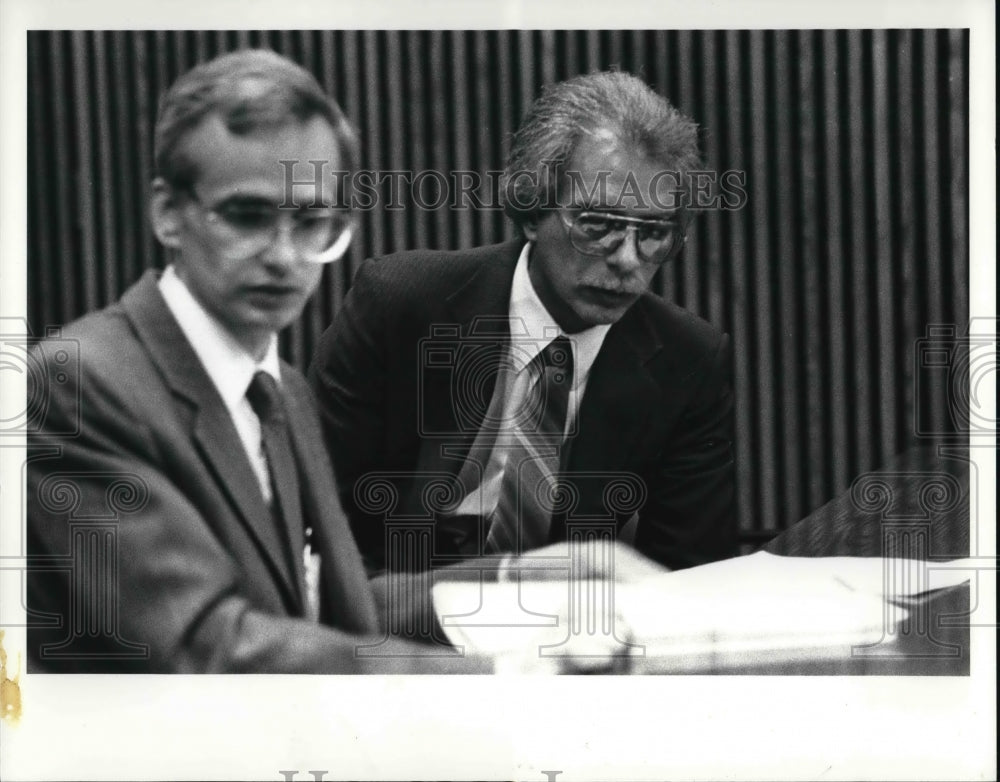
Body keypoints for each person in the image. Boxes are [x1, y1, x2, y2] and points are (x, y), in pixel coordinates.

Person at [25, 49, 494, 673]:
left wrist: (546, 586)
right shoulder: (76, 381)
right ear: (167, 213)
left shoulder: (283, 389)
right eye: (248, 216)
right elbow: (209, 644)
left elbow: (328, 610)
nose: (284, 255)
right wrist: (497, 681)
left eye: (311, 221)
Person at [309, 71, 737, 576]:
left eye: (653, 232)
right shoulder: (400, 303)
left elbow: (688, 577)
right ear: (531, 212)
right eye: (597, 224)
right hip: (389, 620)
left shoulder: (690, 361)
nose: (627, 258)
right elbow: (315, 521)